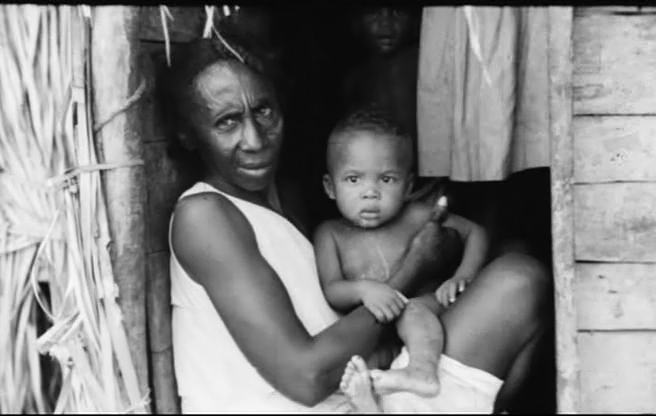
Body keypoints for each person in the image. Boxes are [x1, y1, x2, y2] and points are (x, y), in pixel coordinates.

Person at [161, 32, 550, 414]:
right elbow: (307, 378)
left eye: (263, 112)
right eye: (227, 122)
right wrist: (413, 269)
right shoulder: (204, 215)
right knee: (518, 280)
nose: (255, 140)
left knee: (522, 273)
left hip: (358, 396)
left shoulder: (284, 200)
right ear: (188, 134)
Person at [315, 109, 489, 411]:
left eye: (386, 179)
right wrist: (364, 290)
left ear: (408, 186)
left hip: (429, 319)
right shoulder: (330, 233)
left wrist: (463, 275)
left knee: (413, 310)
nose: (371, 193)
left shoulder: (416, 215)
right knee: (356, 368)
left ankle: (422, 372)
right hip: (380, 338)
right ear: (330, 187)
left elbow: (476, 232)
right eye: (353, 179)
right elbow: (332, 288)